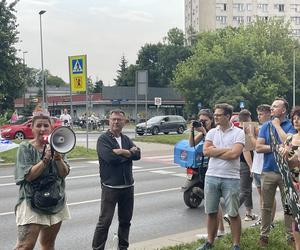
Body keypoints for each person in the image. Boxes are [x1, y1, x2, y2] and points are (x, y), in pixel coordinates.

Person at [14, 105, 71, 250]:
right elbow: (28, 176)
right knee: (24, 246)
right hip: (31, 202)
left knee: (48, 244)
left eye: (46, 125)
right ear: (32, 128)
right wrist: (45, 160)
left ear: (51, 128)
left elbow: (64, 173)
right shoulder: (25, 148)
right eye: (38, 125)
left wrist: (58, 158)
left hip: (55, 201)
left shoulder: (59, 146)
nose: (42, 129)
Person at [195, 103, 245, 250]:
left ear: (227, 116)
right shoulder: (211, 133)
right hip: (212, 176)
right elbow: (206, 151)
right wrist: (226, 151)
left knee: (233, 213)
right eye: (214, 115)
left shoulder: (238, 133)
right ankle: (210, 242)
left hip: (231, 178)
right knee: (211, 212)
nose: (215, 117)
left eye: (218, 115)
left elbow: (235, 154)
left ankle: (236, 245)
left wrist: (216, 151)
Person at [92, 109, 141, 250]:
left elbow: (138, 154)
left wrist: (124, 152)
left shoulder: (125, 139)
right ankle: (97, 248)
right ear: (109, 121)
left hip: (128, 187)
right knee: (104, 222)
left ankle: (123, 247)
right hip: (110, 187)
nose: (116, 122)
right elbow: (110, 158)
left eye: (119, 119)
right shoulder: (103, 139)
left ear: (124, 122)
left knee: (126, 221)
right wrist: (129, 154)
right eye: (113, 119)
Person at [256, 97, 296, 247]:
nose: (271, 109)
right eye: (271, 106)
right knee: (266, 206)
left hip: (286, 172)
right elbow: (258, 148)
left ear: (283, 110)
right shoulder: (265, 126)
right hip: (268, 171)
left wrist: (278, 129)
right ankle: (264, 235)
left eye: (274, 107)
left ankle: (290, 236)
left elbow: (289, 146)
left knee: (288, 206)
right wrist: (276, 147)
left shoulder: (290, 126)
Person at [189, 108, 225, 237]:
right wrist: (192, 130)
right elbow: (191, 143)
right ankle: (220, 230)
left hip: (219, 167)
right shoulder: (206, 131)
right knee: (213, 201)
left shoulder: (216, 131)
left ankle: (219, 230)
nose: (202, 122)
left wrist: (204, 131)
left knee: (214, 201)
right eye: (200, 120)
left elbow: (217, 146)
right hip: (209, 167)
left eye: (205, 120)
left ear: (211, 120)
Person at [224, 109, 257, 223]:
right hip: (245, 164)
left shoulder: (236, 129)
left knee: (246, 189)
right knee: (245, 191)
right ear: (248, 118)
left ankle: (249, 213)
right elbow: (246, 150)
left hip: (238, 163)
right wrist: (251, 166)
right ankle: (230, 212)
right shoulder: (247, 129)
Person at [249, 104, 276, 227]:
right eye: (258, 114)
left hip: (266, 167)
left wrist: (251, 135)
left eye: (261, 114)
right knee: (261, 196)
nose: (259, 117)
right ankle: (263, 219)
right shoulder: (259, 128)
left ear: (269, 114)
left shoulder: (271, 127)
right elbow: (250, 148)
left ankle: (270, 221)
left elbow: (258, 147)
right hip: (256, 166)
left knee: (269, 196)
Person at [279, 106, 300, 250]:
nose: (296, 121)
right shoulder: (290, 138)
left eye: (299, 118)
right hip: (292, 182)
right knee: (295, 216)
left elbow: (295, 161)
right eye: (294, 118)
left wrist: (289, 158)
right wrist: (283, 154)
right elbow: (285, 160)